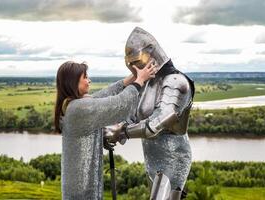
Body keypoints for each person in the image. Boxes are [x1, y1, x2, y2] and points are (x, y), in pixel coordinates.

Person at [104, 27, 195, 199]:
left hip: (174, 157)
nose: (134, 66)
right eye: (130, 63)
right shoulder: (147, 83)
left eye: (136, 60)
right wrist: (111, 131)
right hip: (152, 156)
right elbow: (132, 116)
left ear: (152, 54)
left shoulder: (176, 82)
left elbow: (155, 124)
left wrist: (120, 133)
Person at [54, 60, 156, 199]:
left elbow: (106, 94)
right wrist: (139, 81)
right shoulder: (78, 108)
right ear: (72, 82)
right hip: (82, 191)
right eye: (85, 77)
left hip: (77, 187)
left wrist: (133, 76)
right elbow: (118, 104)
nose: (89, 80)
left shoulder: (72, 105)